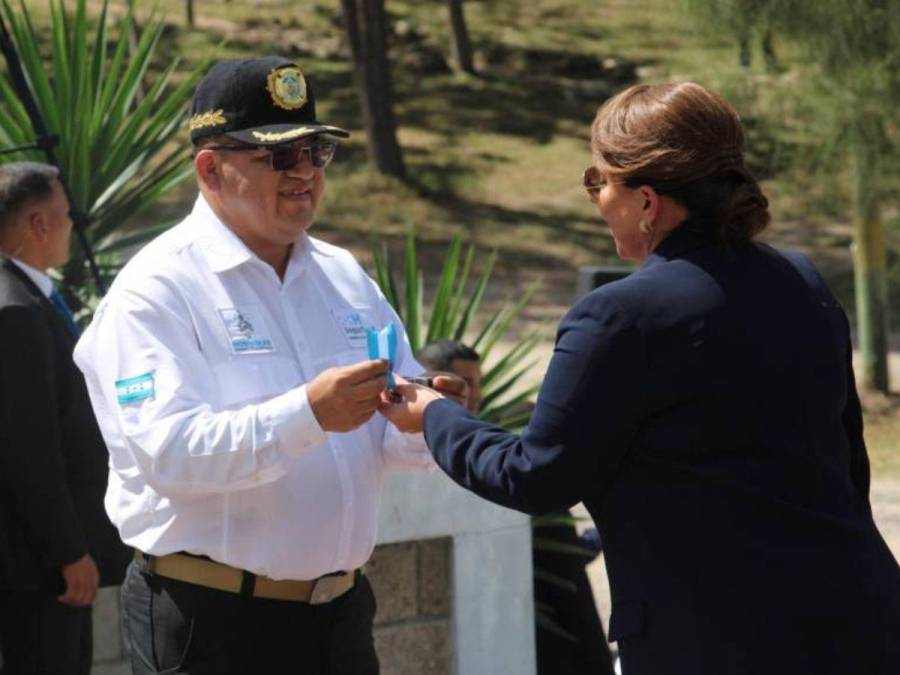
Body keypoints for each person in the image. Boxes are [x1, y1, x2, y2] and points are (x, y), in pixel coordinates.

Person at [379, 81, 900, 675]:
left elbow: (536, 475)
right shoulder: (802, 280)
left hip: (719, 643)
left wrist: (436, 416)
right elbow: (848, 459)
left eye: (597, 181)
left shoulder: (618, 316)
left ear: (647, 202)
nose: (596, 199)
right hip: (861, 618)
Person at [73, 57, 462, 675]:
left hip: (338, 615)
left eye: (315, 152)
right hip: (213, 621)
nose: (305, 172)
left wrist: (428, 420)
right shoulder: (156, 290)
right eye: (279, 157)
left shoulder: (343, 276)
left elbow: (391, 432)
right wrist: (309, 413)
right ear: (210, 169)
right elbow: (168, 454)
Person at [418, 338, 614, 674]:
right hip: (528, 622)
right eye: (467, 383)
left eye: (478, 382)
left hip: (562, 604)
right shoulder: (432, 459)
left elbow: (558, 544)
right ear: (437, 382)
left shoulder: (508, 435)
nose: (476, 394)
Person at [0, 162, 129, 674]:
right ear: (39, 225)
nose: (74, 225)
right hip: (37, 567)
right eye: (66, 215)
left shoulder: (28, 296)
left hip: (41, 559)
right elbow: (28, 448)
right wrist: (68, 552)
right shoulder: (16, 312)